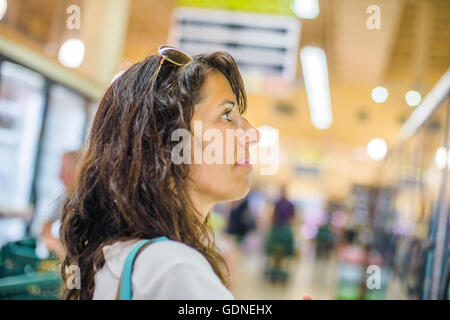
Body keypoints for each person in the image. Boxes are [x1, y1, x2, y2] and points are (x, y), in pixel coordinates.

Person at [59, 45, 260, 300]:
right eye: (226, 115)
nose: (253, 133)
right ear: (167, 143)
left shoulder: (115, 255)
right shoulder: (174, 270)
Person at [41, 150, 81, 260]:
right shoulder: (65, 196)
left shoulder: (86, 198)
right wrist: (54, 243)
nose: (60, 176)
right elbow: (45, 225)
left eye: (64, 170)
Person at [265, 185, 296, 283]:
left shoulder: (287, 204)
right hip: (280, 229)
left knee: (280, 254)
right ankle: (276, 270)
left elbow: (292, 217)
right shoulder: (278, 203)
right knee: (277, 253)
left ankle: (278, 271)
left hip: (282, 230)